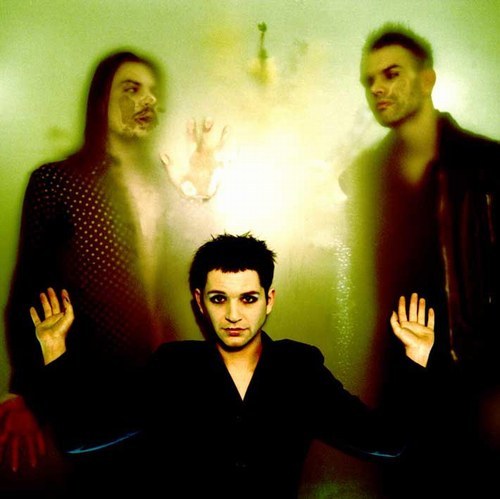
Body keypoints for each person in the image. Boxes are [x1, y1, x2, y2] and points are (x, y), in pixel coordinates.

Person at [28, 233, 435, 498]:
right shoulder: (173, 369)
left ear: (269, 300)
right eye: (219, 298)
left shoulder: (299, 369)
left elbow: (387, 441)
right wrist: (53, 346)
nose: (234, 315)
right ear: (199, 302)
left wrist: (416, 357)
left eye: (248, 298)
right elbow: (79, 436)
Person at [0, 49, 225, 490]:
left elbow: (201, 268)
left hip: (163, 384)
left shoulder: (164, 183)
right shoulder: (58, 181)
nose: (147, 101)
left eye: (153, 92)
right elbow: (29, 284)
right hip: (90, 389)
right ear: (101, 99)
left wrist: (201, 190)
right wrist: (24, 389)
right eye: (131, 88)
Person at [340, 23, 500, 496]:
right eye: (369, 81)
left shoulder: (486, 164)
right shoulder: (366, 175)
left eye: (391, 74)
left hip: (471, 377)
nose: (377, 89)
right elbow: (362, 284)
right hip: (398, 380)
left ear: (427, 80)